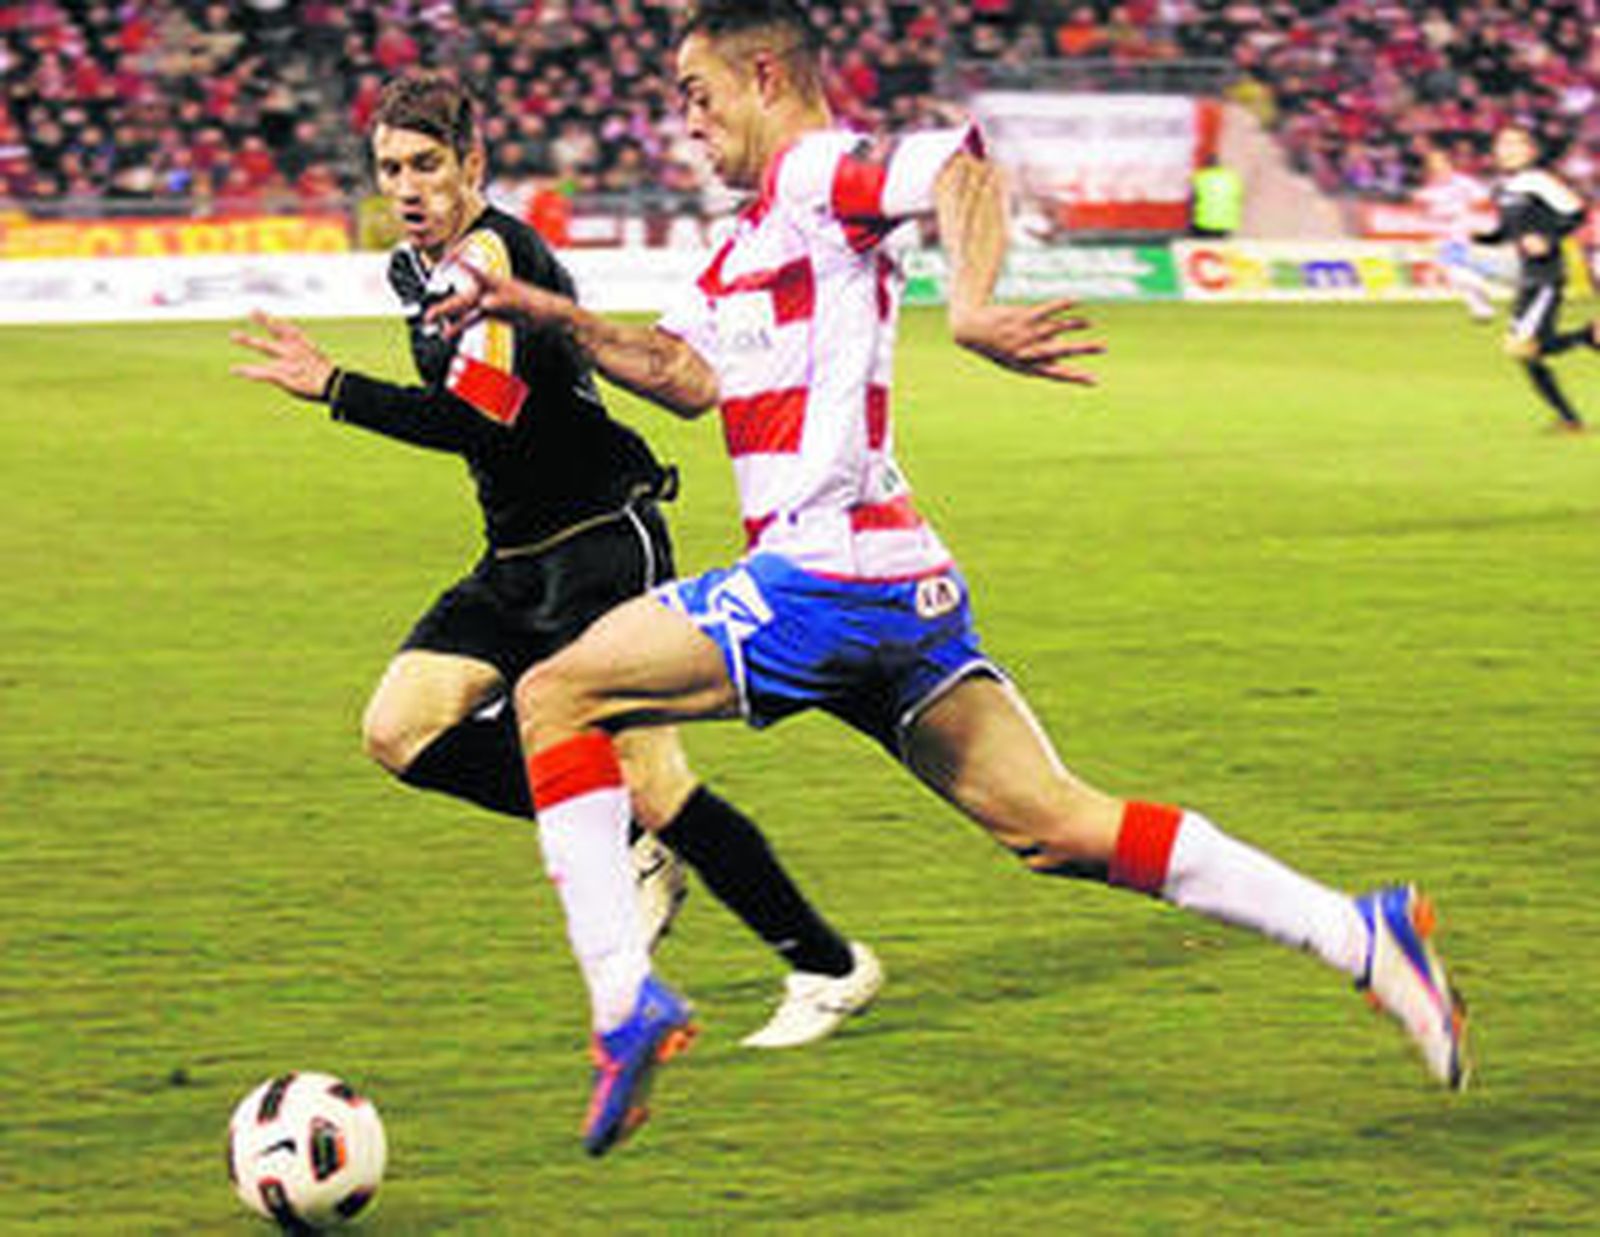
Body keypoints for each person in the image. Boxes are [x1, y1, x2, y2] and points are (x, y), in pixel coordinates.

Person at [431, 0, 1470, 1158]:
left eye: (692, 91)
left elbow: (962, 164)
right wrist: (542, 312)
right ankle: (1360, 931)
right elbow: (680, 376)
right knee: (1057, 826)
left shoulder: (824, 170)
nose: (683, 118)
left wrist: (968, 307)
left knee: (553, 696)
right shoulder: (745, 240)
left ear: (764, 73)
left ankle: (624, 1004)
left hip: (822, 577)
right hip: (889, 584)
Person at [227, 71, 884, 1062]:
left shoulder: (491, 255)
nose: (406, 187)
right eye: (389, 168)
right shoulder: (420, 269)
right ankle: (627, 842)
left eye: (426, 165)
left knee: (655, 776)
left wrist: (332, 387)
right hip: (515, 554)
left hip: (600, 541)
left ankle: (828, 962)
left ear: (473, 165)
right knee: (400, 729)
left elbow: (476, 414)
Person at [1475, 125, 1594, 433]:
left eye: (1516, 143)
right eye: (1502, 143)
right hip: (1528, 277)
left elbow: (1576, 213)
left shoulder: (1539, 182)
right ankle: (1570, 418)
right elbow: (1507, 230)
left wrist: (1548, 238)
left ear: (1532, 151)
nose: (1507, 149)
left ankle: (1585, 340)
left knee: (1521, 347)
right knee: (1528, 352)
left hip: (1546, 275)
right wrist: (1483, 238)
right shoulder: (1504, 187)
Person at [1415, 145, 1496, 323]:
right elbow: (1424, 211)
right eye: (1432, 162)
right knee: (1455, 273)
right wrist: (1433, 215)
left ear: (1448, 162)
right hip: (1441, 235)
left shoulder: (1464, 183)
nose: (1437, 165)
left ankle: (1482, 299)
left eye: (1440, 161)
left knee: (1453, 271)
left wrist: (1465, 213)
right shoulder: (1429, 188)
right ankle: (1481, 308)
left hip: (1462, 233)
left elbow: (1483, 199)